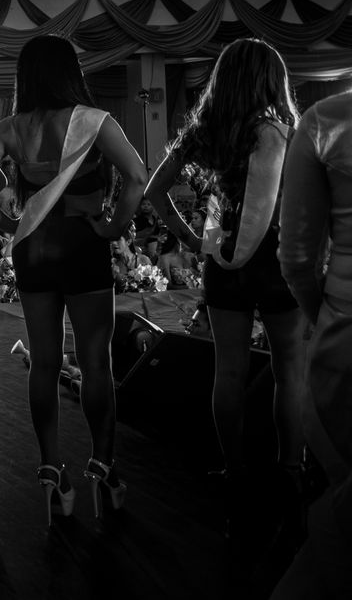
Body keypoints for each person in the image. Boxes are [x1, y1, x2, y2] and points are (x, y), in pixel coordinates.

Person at [0, 35, 146, 524]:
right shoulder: (94, 121)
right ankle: (102, 467)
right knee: (95, 361)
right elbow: (137, 175)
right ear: (69, 72)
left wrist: (5, 223)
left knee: (43, 361)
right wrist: (114, 227)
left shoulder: (11, 127)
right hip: (82, 244)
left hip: (34, 248)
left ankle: (50, 468)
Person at [144, 38, 306, 517]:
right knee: (289, 370)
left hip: (224, 260)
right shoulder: (279, 132)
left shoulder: (205, 132)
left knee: (229, 371)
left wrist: (195, 241)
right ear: (271, 81)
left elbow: (155, 190)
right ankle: (291, 470)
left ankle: (234, 469)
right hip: (275, 260)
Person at [273, 87, 352, 598]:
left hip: (345, 343)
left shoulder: (327, 120)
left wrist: (322, 317)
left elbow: (297, 258)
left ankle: (256, 477)